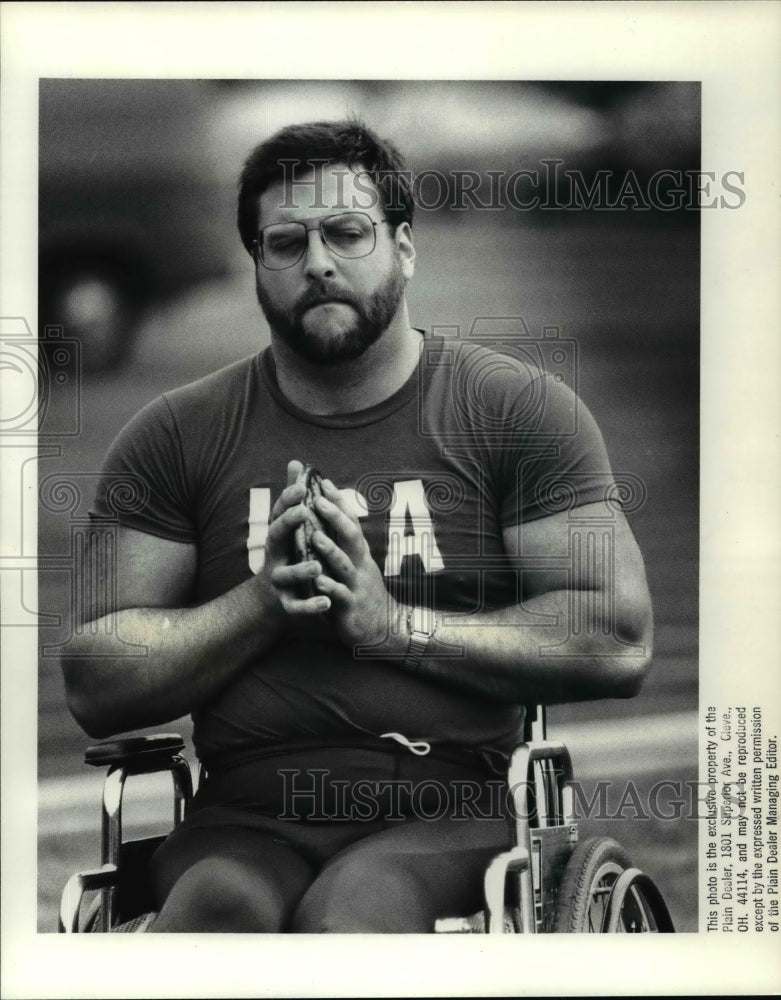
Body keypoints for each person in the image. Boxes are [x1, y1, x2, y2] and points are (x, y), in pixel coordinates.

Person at [61, 119, 653, 933]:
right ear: (255, 263)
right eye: (284, 241)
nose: (316, 262)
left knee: (350, 917)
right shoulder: (172, 436)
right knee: (212, 915)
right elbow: (93, 677)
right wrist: (260, 605)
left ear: (404, 246)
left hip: (445, 802)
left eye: (347, 232)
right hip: (243, 814)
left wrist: (392, 625)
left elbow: (616, 639)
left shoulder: (521, 413)